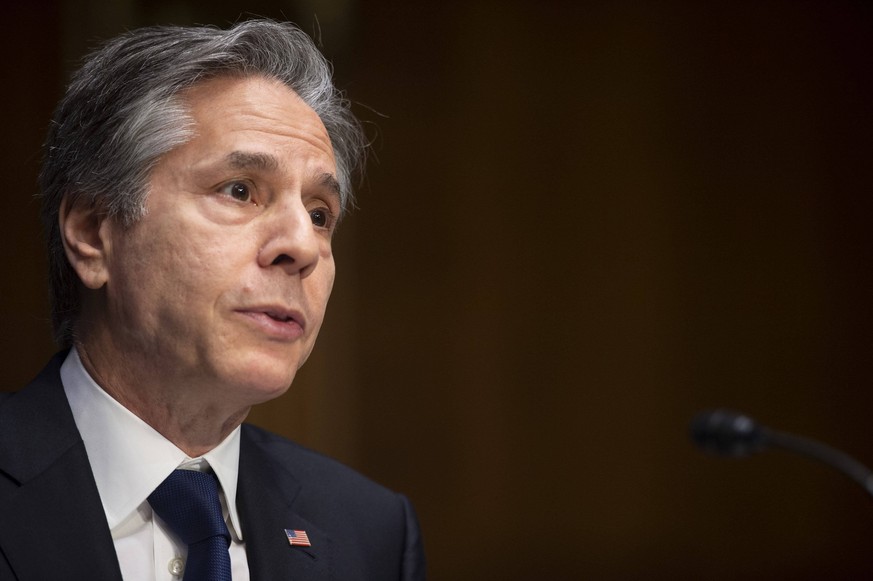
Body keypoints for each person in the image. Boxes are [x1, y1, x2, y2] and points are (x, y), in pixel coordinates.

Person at [0, 19, 425, 581]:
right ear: (94, 231)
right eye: (240, 190)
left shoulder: (369, 533)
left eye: (320, 215)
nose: (302, 246)